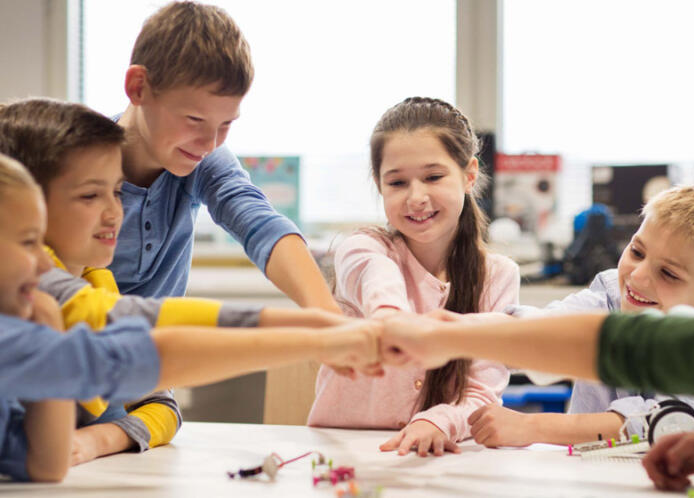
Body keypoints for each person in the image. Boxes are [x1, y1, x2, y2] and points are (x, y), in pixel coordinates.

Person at [380, 112, 694, 485]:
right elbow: (548, 329)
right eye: (636, 252)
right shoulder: (612, 290)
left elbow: (628, 356)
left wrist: (451, 338)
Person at [0, 98, 353, 466]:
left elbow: (157, 400)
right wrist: (315, 332)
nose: (115, 212)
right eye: (90, 195)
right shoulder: (36, 288)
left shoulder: (96, 279)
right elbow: (143, 335)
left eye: (118, 191)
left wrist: (101, 439)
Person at [307, 97, 520, 457]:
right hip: (345, 453)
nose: (416, 197)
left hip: (438, 460)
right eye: (398, 182)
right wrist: (390, 317)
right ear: (380, 185)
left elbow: (483, 390)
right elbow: (377, 278)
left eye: (433, 177)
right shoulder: (363, 248)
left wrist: (437, 421)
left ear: (469, 175)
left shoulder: (498, 275)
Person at [109, 1, 338, 316]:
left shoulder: (203, 158)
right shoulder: (76, 162)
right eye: (194, 119)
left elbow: (259, 222)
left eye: (226, 123)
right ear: (138, 88)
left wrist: (329, 314)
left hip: (157, 343)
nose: (210, 143)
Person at [469, 185, 694, 447]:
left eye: (668, 273)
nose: (637, 276)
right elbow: (544, 326)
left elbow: (657, 424)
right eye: (637, 252)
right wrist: (460, 331)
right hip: (583, 469)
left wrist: (530, 426)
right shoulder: (610, 296)